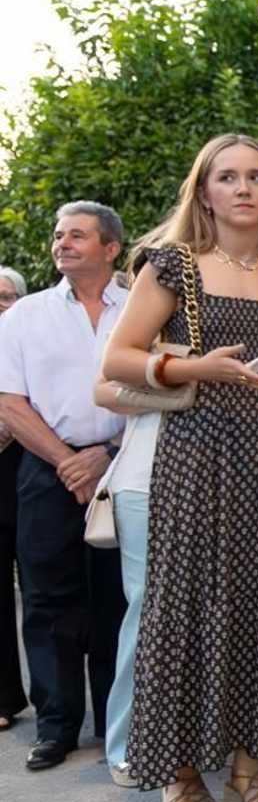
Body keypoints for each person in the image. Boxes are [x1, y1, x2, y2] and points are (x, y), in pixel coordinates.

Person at [102, 133, 258, 802]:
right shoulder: (172, 266)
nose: (241, 188)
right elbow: (120, 357)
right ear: (204, 191)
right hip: (196, 456)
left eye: (255, 177)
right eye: (226, 176)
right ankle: (180, 777)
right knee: (188, 610)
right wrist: (195, 369)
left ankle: (244, 773)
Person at [0, 205, 129, 771]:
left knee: (116, 599)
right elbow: (9, 401)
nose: (62, 243)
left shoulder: (141, 309)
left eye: (77, 235)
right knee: (49, 599)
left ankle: (114, 719)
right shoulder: (24, 315)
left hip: (123, 466)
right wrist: (67, 461)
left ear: (111, 248)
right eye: (58, 235)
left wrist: (104, 456)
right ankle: (55, 727)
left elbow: (162, 391)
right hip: (45, 472)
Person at [92, 375, 159, 789]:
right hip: (142, 483)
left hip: (215, 482)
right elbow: (103, 393)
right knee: (145, 613)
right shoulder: (143, 321)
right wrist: (184, 382)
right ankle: (126, 745)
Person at [0, 266, 30, 734]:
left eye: (5, 297)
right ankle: (4, 695)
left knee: (48, 590)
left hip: (29, 466)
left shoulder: (26, 340)